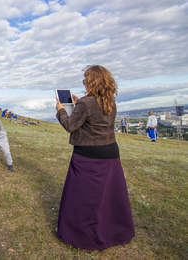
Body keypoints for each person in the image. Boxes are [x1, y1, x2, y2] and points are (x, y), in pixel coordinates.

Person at [55, 64, 134, 250]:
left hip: (88, 156)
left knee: (84, 199)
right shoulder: (109, 101)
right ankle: (115, 231)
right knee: (108, 197)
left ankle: (84, 237)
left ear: (91, 81)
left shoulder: (86, 102)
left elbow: (70, 125)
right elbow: (91, 121)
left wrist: (61, 109)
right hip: (111, 153)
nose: (83, 82)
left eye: (85, 79)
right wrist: (77, 104)